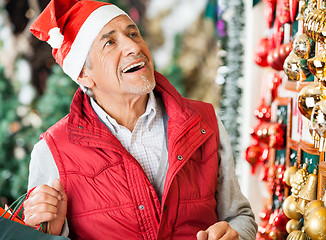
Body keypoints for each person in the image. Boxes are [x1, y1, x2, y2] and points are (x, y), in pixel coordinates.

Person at [23, 0, 257, 239]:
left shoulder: (204, 122)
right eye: (110, 42)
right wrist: (51, 232)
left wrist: (236, 234)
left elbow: (240, 217)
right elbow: (41, 234)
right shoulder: (51, 151)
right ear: (84, 74)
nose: (133, 46)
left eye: (133, 33)